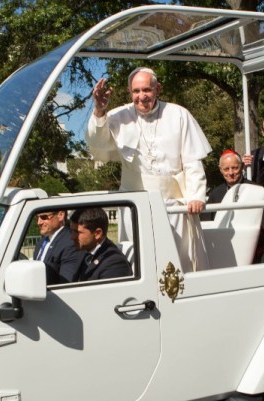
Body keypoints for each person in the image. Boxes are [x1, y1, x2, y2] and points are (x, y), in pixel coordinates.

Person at [86, 67, 210, 272]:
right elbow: (97, 145)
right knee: (139, 261)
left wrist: (196, 195)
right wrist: (99, 111)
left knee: (175, 260)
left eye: (147, 90)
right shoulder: (119, 116)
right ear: (129, 91)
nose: (141, 96)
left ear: (157, 89)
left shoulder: (178, 114)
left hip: (171, 203)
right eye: (136, 91)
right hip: (134, 203)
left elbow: (192, 160)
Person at [69, 207, 132, 282]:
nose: (72, 237)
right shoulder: (86, 252)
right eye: (72, 231)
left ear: (97, 234)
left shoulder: (115, 264)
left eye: (78, 232)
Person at [32, 208, 84, 284]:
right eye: (37, 218)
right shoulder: (42, 242)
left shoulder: (70, 243)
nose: (39, 222)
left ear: (60, 215)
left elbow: (65, 283)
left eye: (44, 217)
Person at [201, 149, 245, 221]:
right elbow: (206, 221)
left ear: (242, 166)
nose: (231, 173)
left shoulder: (255, 189)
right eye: (226, 169)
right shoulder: (215, 193)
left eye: (234, 168)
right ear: (220, 170)